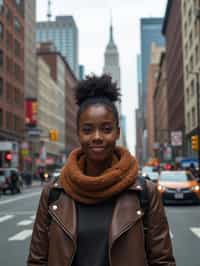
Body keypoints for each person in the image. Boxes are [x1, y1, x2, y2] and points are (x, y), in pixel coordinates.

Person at [27, 74, 176, 266]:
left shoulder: (145, 193)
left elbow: (162, 261)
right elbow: (37, 261)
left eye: (106, 129)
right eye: (88, 130)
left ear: (117, 132)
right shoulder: (54, 193)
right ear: (78, 133)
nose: (97, 137)